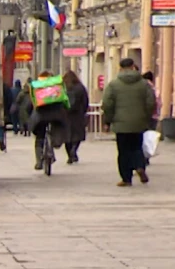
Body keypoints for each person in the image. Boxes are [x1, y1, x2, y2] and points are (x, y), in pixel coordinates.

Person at [102, 57, 156, 186]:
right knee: (137, 147)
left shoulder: (114, 84)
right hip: (139, 122)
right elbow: (151, 102)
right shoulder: (144, 84)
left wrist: (107, 121)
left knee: (123, 151)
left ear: (120, 68)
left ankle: (126, 178)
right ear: (133, 67)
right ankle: (140, 166)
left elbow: (107, 104)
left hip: (120, 124)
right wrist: (146, 117)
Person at [28, 70, 69, 171]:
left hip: (41, 116)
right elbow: (65, 99)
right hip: (56, 115)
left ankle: (38, 161)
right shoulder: (57, 85)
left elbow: (32, 102)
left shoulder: (37, 86)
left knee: (39, 138)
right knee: (56, 129)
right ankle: (53, 147)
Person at [63, 70, 89, 164]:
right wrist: (83, 111)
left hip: (66, 115)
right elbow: (85, 101)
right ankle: (74, 150)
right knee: (77, 135)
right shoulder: (80, 88)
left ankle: (70, 155)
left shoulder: (64, 88)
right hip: (78, 115)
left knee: (67, 137)